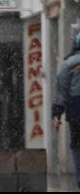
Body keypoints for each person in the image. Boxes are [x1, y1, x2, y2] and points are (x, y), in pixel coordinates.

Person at [53, 32, 80, 190]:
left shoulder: (69, 64)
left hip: (76, 110)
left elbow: (61, 92)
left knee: (76, 145)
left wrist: (57, 113)